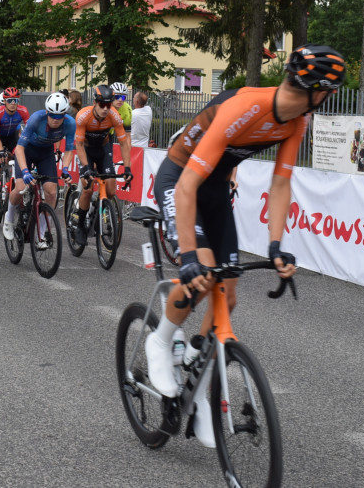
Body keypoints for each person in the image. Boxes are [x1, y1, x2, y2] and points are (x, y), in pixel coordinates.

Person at [144, 44, 345, 447]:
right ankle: (161, 340)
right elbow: (185, 186)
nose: (330, 100)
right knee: (198, 275)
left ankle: (198, 388)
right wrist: (187, 257)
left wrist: (275, 246)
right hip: (180, 179)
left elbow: (281, 183)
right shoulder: (243, 107)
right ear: (316, 90)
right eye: (331, 91)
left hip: (214, 187)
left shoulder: (295, 122)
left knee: (228, 296)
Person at [2, 93, 76, 244]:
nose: (56, 120)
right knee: (21, 187)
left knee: (51, 192)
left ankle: (41, 233)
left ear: (65, 114)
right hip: (27, 151)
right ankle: (9, 219)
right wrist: (24, 171)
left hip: (45, 153)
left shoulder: (70, 123)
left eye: (60, 116)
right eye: (53, 115)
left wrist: (66, 169)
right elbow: (19, 149)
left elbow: (69, 150)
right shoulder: (37, 119)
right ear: (47, 112)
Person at [70, 85, 133, 245]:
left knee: (111, 191)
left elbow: (124, 142)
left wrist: (127, 167)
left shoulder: (114, 116)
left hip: (103, 149)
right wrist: (85, 168)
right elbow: (78, 144)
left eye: (108, 105)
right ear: (95, 102)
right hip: (86, 150)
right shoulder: (83, 116)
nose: (106, 109)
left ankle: (99, 209)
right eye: (102, 105)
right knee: (88, 188)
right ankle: (80, 226)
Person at [0, 88, 30, 225]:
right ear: (4, 101)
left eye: (15, 100)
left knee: (21, 161)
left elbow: (29, 130)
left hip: (12, 137)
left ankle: (19, 197)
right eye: (10, 100)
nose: (13, 103)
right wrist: (0, 151)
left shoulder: (23, 111)